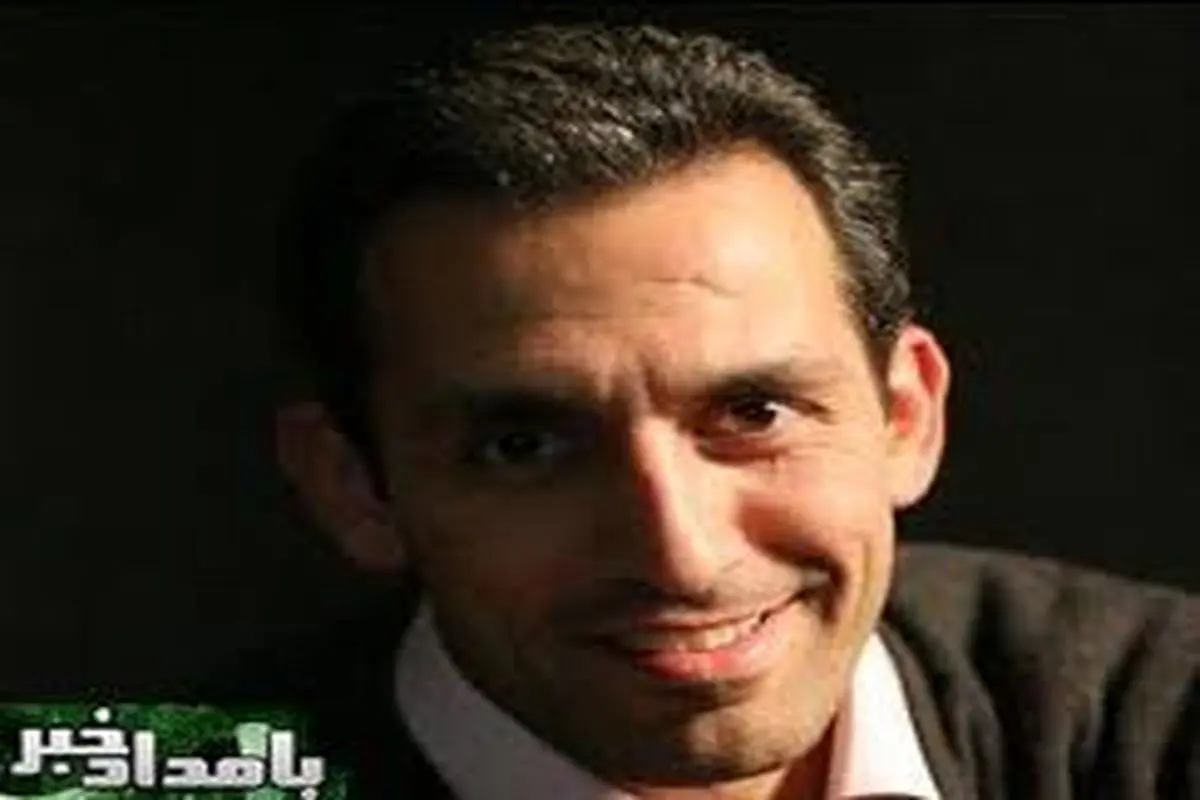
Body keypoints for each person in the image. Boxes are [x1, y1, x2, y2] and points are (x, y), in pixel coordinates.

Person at [224, 21, 1199, 799]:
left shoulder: (1162, 703)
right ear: (354, 486)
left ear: (904, 414)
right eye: (523, 446)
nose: (681, 557)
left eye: (757, 411)